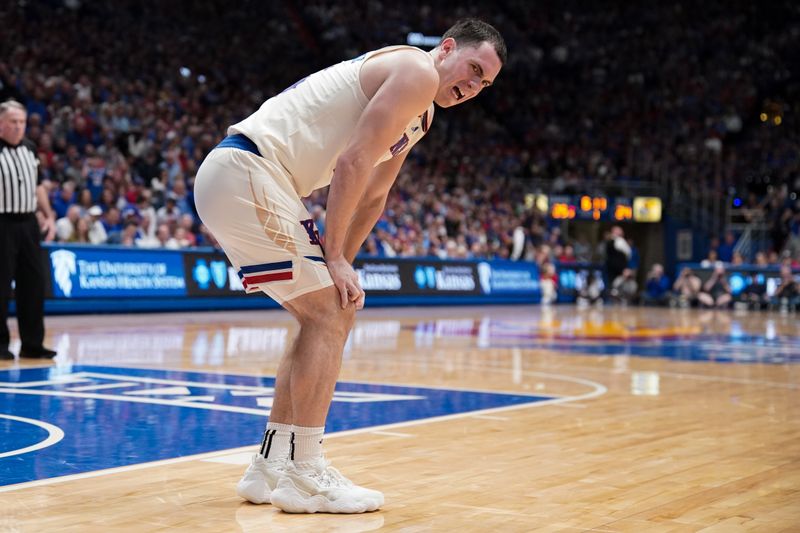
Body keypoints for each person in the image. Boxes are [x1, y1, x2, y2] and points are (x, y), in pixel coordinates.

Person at [193, 19, 505, 514]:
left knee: (328, 309)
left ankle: (272, 465)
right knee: (328, 314)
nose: (471, 88)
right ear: (446, 49)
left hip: (251, 180)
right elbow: (353, 163)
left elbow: (374, 194)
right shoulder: (415, 70)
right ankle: (306, 473)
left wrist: (341, 267)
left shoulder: (422, 116)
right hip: (248, 170)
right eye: (472, 69)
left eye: (482, 84)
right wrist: (333, 256)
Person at [0, 100, 57, 360]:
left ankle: (32, 343)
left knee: (34, 284)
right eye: (13, 121)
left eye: (21, 122)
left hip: (28, 223)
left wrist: (48, 215)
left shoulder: (30, 149)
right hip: (2, 223)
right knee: (1, 286)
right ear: (1, 123)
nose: (18, 126)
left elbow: (37, 187)